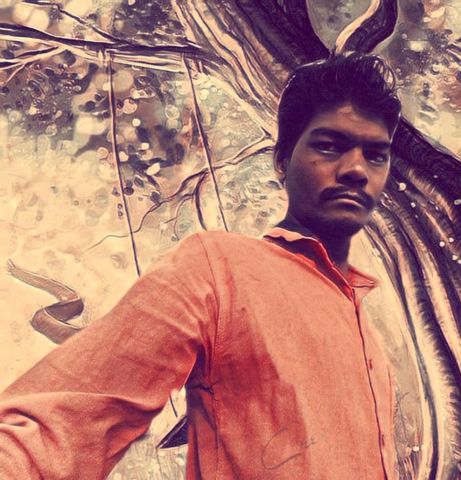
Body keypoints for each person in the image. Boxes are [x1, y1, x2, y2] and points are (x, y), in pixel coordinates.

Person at [0, 52, 402, 479]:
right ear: (282, 160)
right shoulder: (220, 268)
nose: (356, 169)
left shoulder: (366, 332)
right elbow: (56, 427)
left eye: (376, 155)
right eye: (329, 146)